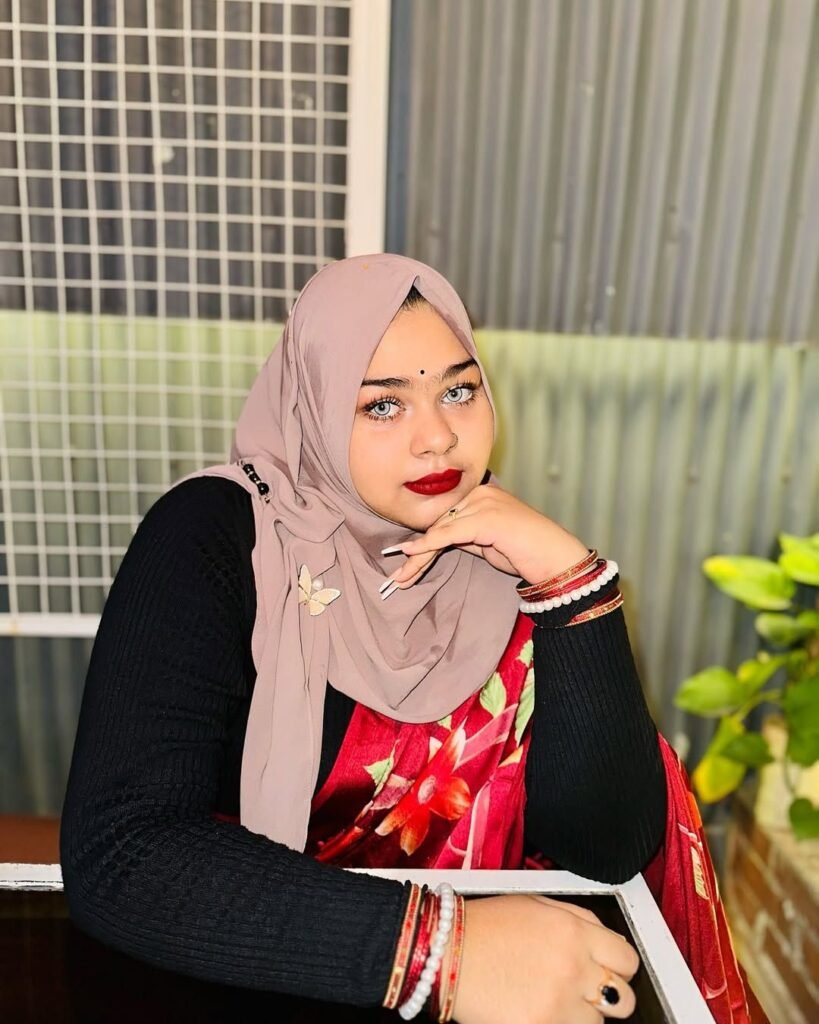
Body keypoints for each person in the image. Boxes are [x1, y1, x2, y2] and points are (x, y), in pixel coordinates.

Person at [61, 254, 748, 1023]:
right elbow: (124, 851)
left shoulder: (501, 550)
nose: (438, 439)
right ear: (313, 406)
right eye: (382, 405)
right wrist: (443, 952)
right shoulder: (217, 539)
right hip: (258, 971)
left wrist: (572, 586)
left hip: (495, 991)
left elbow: (605, 850)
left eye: (458, 391)